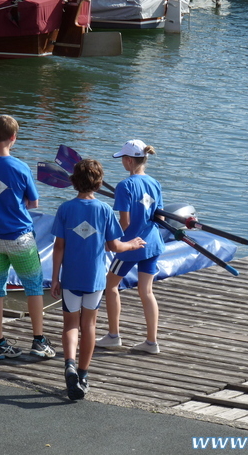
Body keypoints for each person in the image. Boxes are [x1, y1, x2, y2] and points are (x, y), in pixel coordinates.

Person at [51, 159, 145, 400]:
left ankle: (69, 364)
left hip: (70, 277)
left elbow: (58, 247)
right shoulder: (104, 209)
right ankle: (83, 374)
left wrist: (54, 278)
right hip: (94, 279)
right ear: (99, 182)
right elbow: (114, 245)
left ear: (73, 182)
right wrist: (132, 244)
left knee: (70, 324)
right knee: (89, 325)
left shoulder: (65, 209)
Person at [0, 115, 55, 360]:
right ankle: (39, 341)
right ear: (13, 138)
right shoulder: (20, 167)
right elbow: (34, 202)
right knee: (33, 286)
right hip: (20, 238)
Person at [96, 139, 165, 354]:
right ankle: (152, 342)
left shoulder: (125, 186)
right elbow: (159, 215)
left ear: (128, 161)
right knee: (146, 291)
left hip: (131, 245)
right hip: (152, 243)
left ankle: (113, 336)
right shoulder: (155, 183)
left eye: (122, 160)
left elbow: (124, 222)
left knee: (111, 284)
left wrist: (115, 242)